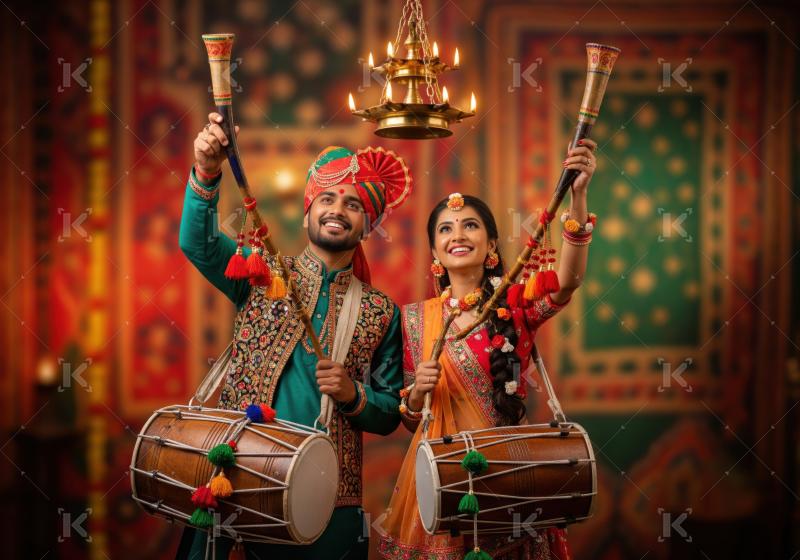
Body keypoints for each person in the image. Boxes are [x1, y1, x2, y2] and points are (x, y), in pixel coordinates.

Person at [175, 111, 413, 559]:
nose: (337, 210)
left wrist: (353, 395)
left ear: (367, 224)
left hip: (329, 500)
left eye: (353, 204)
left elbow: (390, 412)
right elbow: (198, 244)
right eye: (327, 199)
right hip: (238, 477)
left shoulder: (382, 312)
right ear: (309, 209)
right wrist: (208, 171)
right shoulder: (262, 273)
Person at [377, 138, 598, 560]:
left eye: (470, 226)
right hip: (441, 482)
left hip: (507, 477)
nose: (457, 235)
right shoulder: (414, 320)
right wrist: (418, 393)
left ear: (492, 246)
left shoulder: (514, 304)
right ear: (434, 252)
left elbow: (567, 280)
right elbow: (409, 418)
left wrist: (579, 195)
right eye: (445, 229)